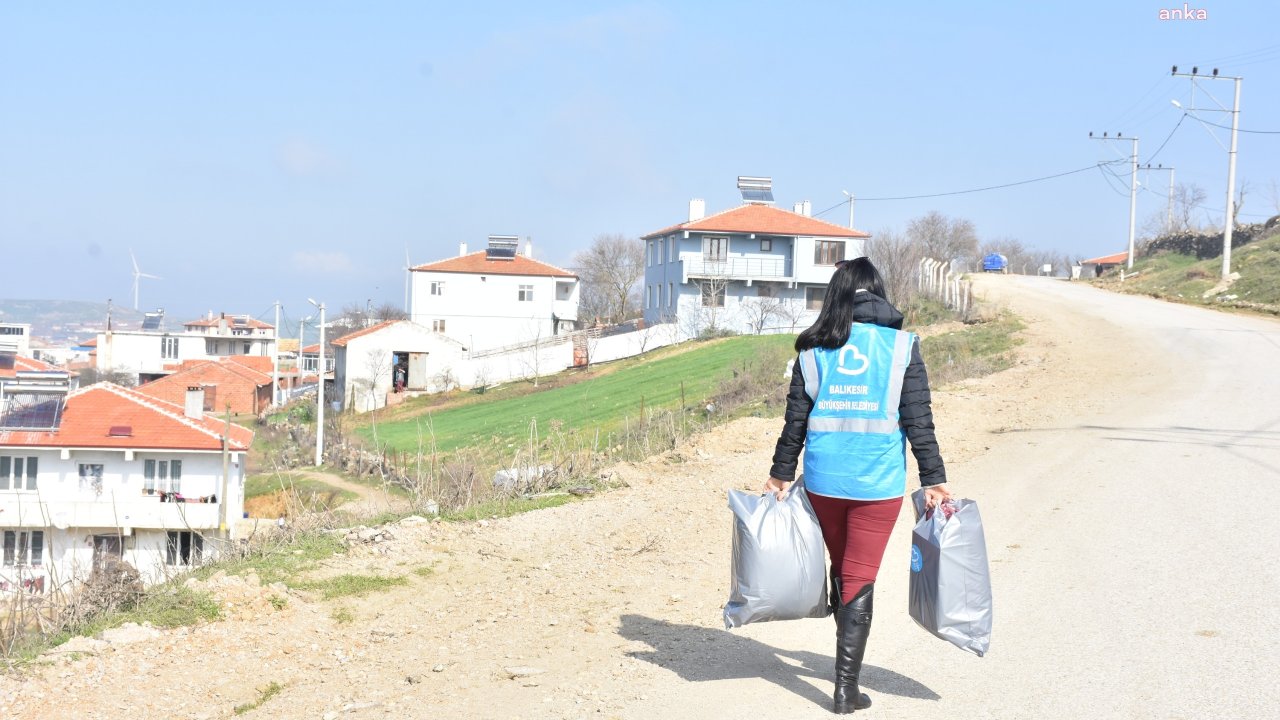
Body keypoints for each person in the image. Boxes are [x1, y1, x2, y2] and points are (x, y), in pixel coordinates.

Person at [765, 257, 952, 714]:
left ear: (836, 297)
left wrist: (780, 474)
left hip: (825, 481)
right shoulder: (903, 347)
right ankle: (845, 689)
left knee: (845, 568)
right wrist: (934, 479)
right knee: (859, 574)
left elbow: (795, 423)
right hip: (877, 484)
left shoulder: (811, 352)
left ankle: (842, 618)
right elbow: (918, 421)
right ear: (879, 292)